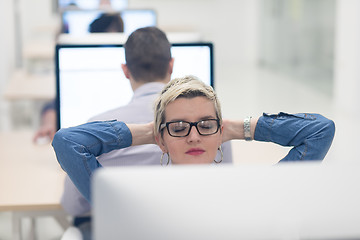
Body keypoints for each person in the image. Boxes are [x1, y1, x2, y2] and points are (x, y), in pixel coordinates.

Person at [55, 27, 233, 238]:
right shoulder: (208, 129)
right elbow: (224, 190)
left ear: (125, 70)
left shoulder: (95, 134)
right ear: (172, 65)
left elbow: (74, 206)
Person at [52, 75, 336, 205]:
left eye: (205, 125)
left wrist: (239, 129)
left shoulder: (253, 195)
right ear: (159, 139)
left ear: (220, 132)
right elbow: (68, 142)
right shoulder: (131, 200)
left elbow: (320, 131)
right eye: (178, 128)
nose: (193, 137)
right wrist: (150, 133)